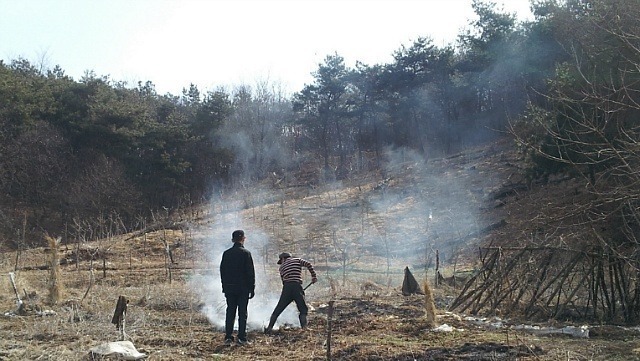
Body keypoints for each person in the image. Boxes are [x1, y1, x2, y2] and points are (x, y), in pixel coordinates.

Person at [264, 252, 317, 334]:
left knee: (278, 309)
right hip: (296, 286)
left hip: (287, 288)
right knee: (303, 309)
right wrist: (313, 276)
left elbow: (284, 282)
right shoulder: (297, 260)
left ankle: (269, 328)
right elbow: (308, 264)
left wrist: (289, 295)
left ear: (283, 258)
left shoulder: (281, 267)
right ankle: (304, 329)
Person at [220, 230, 255, 345]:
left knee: (230, 312)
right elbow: (250, 272)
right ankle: (242, 338)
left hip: (230, 288)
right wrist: (252, 288)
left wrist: (224, 287)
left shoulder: (226, 253)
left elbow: (222, 272)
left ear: (232, 240)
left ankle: (228, 337)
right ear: (243, 238)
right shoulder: (246, 253)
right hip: (243, 288)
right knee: (242, 313)